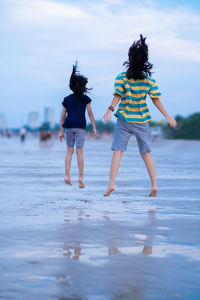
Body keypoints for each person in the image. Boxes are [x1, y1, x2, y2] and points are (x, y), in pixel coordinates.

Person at [103, 34, 177, 197]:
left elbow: (117, 96)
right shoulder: (149, 80)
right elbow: (156, 100)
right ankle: (154, 185)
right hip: (142, 120)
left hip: (124, 119)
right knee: (146, 153)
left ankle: (111, 184)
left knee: (117, 152)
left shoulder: (122, 77)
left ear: (130, 58)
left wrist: (109, 110)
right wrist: (167, 116)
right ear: (145, 60)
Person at [59, 62, 97, 188]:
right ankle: (80, 177)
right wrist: (95, 128)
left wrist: (60, 131)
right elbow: (90, 114)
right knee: (79, 151)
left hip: (69, 127)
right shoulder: (85, 99)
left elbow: (62, 118)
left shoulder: (67, 99)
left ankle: (66, 175)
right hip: (80, 127)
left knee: (69, 151)